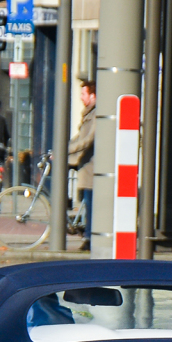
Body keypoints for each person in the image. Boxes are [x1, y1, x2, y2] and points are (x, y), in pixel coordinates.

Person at [68, 79, 96, 251]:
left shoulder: (96, 114)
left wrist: (67, 150)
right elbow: (79, 137)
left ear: (92, 96)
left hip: (93, 168)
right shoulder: (88, 113)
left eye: (83, 93)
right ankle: (87, 234)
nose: (80, 97)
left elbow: (87, 140)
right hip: (85, 166)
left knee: (91, 203)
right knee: (86, 201)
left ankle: (89, 238)